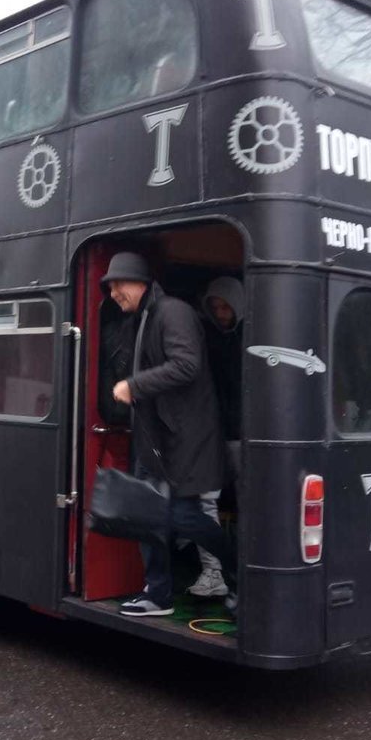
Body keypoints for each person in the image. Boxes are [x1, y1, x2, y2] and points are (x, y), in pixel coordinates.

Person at [102, 252, 233, 617]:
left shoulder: (172, 312)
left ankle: (238, 569)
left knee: (184, 516)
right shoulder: (146, 315)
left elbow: (186, 365)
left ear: (138, 281)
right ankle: (158, 593)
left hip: (182, 442)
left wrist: (134, 385)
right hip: (158, 442)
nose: (113, 293)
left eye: (117, 284)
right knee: (149, 514)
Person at [183, 276, 245, 598]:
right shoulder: (207, 339)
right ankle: (214, 571)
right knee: (204, 502)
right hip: (212, 433)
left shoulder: (253, 338)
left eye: (226, 307)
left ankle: (242, 569)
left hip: (242, 436)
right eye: (215, 307)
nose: (221, 313)